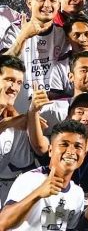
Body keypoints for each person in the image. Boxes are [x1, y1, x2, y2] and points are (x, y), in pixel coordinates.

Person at [0, 119, 88, 230]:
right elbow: (2, 224)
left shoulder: (77, 193)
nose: (71, 151)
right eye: (64, 144)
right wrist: (37, 194)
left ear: (84, 155)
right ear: (50, 150)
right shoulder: (31, 179)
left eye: (77, 146)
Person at [1, 0, 67, 113]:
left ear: (59, 5)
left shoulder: (63, 35)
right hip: (17, 113)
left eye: (53, 0)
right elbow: (3, 66)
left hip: (51, 115)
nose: (47, 5)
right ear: (29, 3)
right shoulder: (15, 30)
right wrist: (23, 37)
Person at [0, 55, 37, 204]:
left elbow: (25, 166)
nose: (14, 88)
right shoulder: (13, 122)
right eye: (9, 80)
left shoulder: (16, 125)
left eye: (19, 83)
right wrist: (5, 125)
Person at [49, 15, 88, 99]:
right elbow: (55, 101)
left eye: (87, 34)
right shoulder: (59, 67)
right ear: (67, 38)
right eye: (76, 35)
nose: (83, 39)